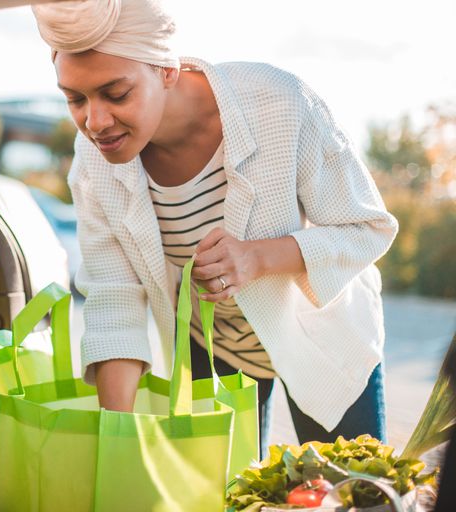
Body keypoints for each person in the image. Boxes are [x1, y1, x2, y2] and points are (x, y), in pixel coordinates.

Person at [31, 0, 397, 451]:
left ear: (167, 69)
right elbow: (114, 296)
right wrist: (115, 441)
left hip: (324, 340)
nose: (95, 121)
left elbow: (365, 228)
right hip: (213, 352)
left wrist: (257, 257)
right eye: (74, 99)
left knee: (354, 493)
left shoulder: (279, 102)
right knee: (225, 497)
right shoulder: (93, 163)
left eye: (117, 93)